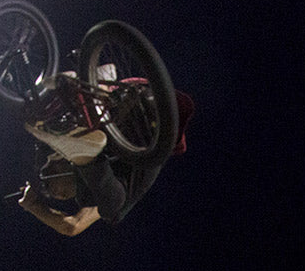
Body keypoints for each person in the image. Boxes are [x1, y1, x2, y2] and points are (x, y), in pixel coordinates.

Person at [16, 79, 194, 237]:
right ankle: (94, 85)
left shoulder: (75, 161)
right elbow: (72, 226)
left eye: (53, 188)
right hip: (154, 118)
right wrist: (34, 206)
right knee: (101, 204)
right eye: (60, 196)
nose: (60, 195)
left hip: (133, 100)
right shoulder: (99, 189)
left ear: (58, 157)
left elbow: (73, 226)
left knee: (106, 206)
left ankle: (89, 84)